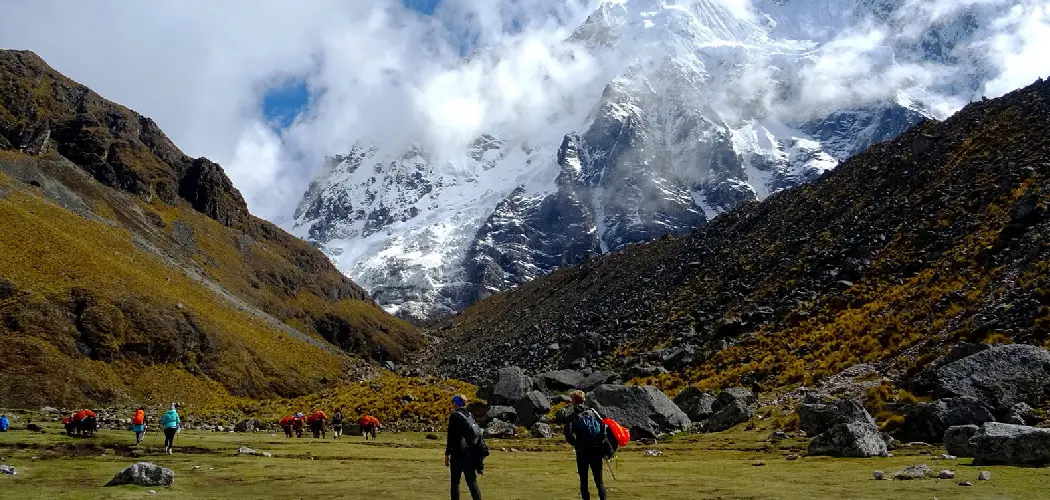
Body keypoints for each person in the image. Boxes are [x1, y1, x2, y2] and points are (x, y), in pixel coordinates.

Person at [564, 390, 608, 500]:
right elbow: (604, 427)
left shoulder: (572, 416)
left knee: (584, 482)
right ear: (583, 400)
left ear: (573, 401)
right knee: (599, 481)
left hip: (582, 452)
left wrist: (576, 444)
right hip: (596, 450)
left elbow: (568, 434)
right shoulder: (593, 412)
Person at [445, 394, 483, 500]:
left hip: (458, 453)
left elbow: (451, 437)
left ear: (456, 403)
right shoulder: (469, 415)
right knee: (471, 481)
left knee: (455, 482)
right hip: (470, 453)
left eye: (453, 402)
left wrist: (447, 453)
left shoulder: (455, 416)